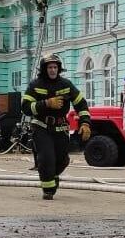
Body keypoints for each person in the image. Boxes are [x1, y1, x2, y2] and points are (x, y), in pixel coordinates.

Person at [22, 54, 91, 200]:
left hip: (60, 128)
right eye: (49, 67)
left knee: (62, 160)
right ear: (44, 69)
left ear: (59, 69)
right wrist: (46, 103)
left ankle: (52, 176)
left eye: (55, 67)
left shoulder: (66, 85)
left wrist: (85, 122)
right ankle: (48, 190)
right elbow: (25, 108)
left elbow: (81, 104)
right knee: (46, 158)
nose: (52, 70)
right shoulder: (35, 85)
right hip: (41, 126)